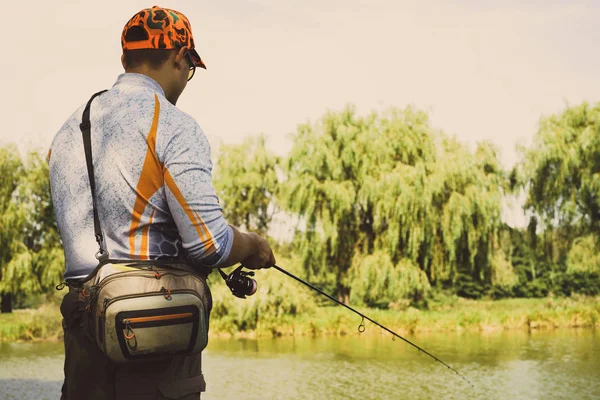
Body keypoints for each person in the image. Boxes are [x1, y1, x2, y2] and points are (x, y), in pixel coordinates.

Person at [48, 6, 275, 399]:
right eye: (189, 68)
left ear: (125, 58)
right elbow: (209, 244)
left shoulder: (68, 131)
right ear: (179, 58)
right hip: (154, 338)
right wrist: (253, 244)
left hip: (83, 338)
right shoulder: (172, 124)